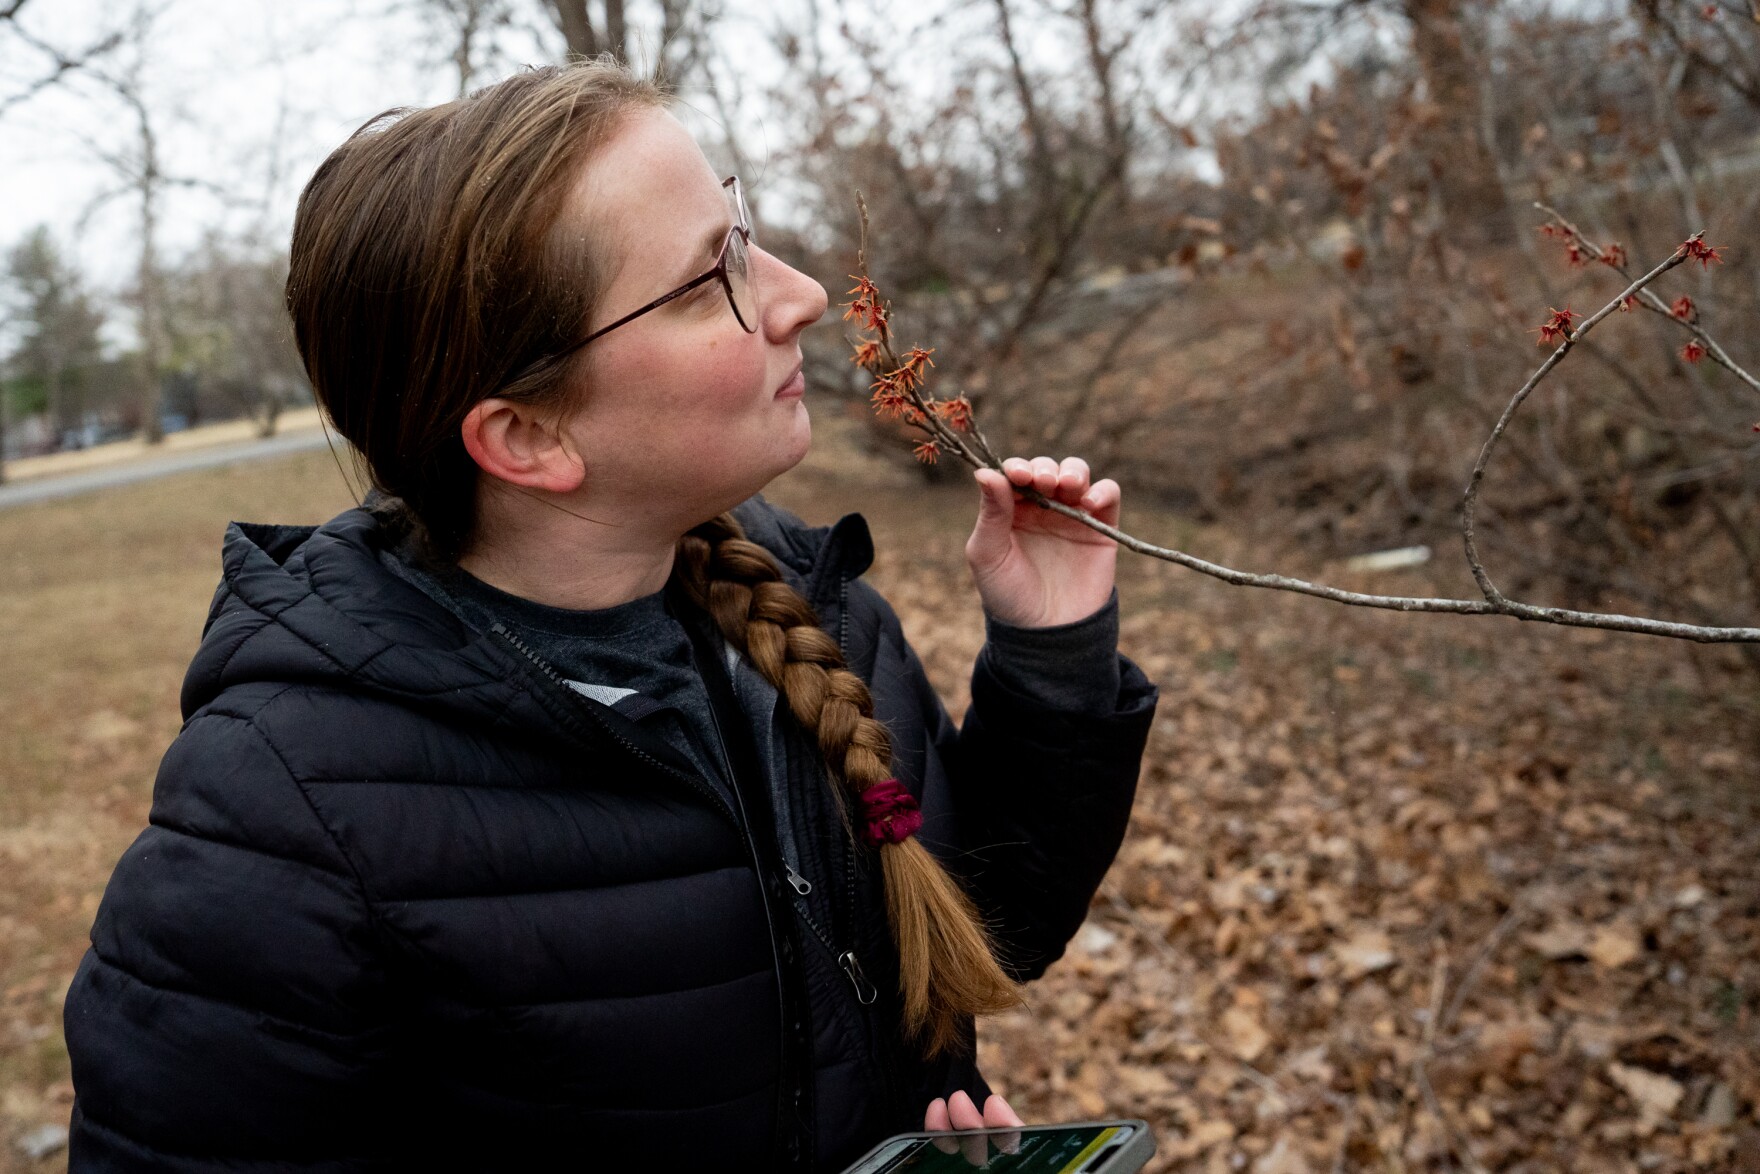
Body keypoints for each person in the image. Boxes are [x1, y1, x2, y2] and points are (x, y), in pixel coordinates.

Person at [61, 58, 1159, 1173]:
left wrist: (1052, 657)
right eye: (709, 281)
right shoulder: (278, 824)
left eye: (741, 233)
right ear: (529, 437)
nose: (800, 297)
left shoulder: (809, 608)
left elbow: (978, 927)